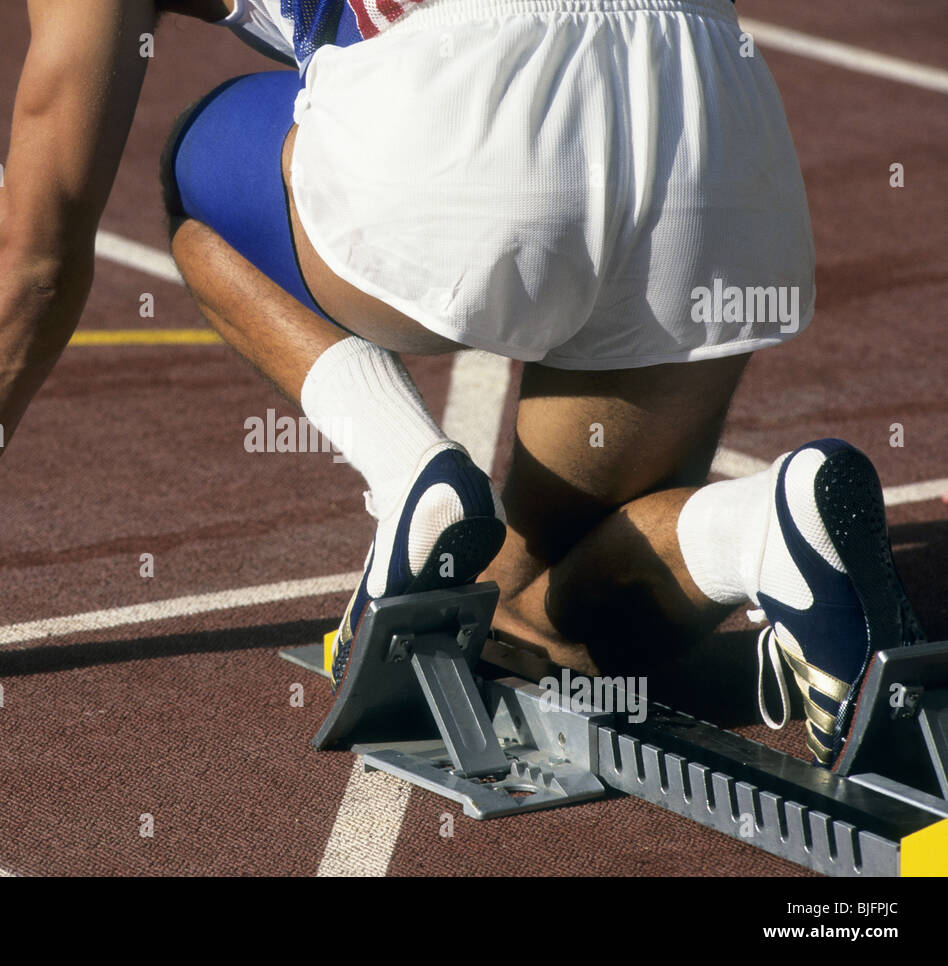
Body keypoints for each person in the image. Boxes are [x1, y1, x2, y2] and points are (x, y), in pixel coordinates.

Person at [160, 0, 924, 768]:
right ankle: (761, 530)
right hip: (706, 111)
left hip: (479, 110)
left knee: (194, 172)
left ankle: (406, 475)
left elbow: (42, 242)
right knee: (528, 618)